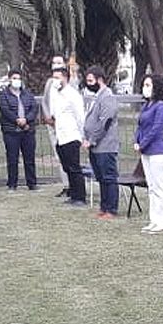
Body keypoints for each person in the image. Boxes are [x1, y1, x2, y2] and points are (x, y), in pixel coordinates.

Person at [135, 73, 163, 233]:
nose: (145, 88)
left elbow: (156, 128)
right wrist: (137, 141)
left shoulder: (161, 106)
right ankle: (154, 219)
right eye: (144, 85)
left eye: (148, 85)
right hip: (146, 151)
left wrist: (142, 143)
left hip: (157, 151)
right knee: (151, 186)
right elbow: (140, 126)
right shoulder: (146, 105)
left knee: (159, 186)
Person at [82, 65, 120, 219]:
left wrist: (92, 140)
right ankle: (104, 207)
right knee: (102, 178)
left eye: (91, 81)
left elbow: (105, 122)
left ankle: (111, 209)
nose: (88, 84)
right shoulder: (98, 96)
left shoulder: (107, 97)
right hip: (96, 147)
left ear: (100, 79)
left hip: (105, 146)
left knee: (109, 178)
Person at [48, 66, 87, 207]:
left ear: (65, 78)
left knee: (74, 167)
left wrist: (82, 135)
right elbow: (53, 113)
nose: (55, 80)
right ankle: (73, 194)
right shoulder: (56, 94)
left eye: (57, 77)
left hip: (71, 135)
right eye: (53, 77)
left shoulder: (72, 95)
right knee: (67, 167)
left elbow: (80, 117)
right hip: (60, 136)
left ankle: (80, 197)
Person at [0, 70, 39, 191]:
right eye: (14, 78)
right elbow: (5, 110)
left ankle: (32, 183)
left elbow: (34, 108)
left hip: (27, 130)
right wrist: (17, 120)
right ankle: (12, 184)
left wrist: (26, 120)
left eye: (19, 78)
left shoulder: (28, 94)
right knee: (12, 158)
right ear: (10, 79)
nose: (17, 81)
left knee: (29, 158)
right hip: (11, 131)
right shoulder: (4, 95)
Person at [42, 57, 71, 197]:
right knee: (59, 156)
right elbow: (45, 101)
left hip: (66, 126)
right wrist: (48, 117)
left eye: (59, 62)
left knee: (69, 155)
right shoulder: (49, 83)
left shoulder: (71, 83)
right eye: (54, 62)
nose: (56, 65)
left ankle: (74, 185)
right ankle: (66, 185)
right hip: (52, 125)